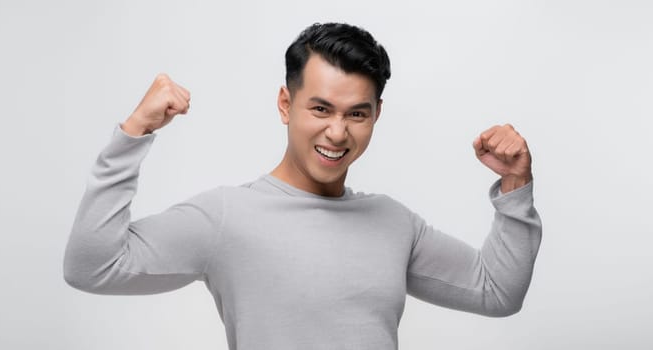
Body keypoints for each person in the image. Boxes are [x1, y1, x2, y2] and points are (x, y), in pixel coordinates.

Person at [64, 22, 542, 350]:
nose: (338, 132)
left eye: (357, 113)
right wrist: (133, 134)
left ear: (376, 114)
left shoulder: (393, 223)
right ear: (284, 104)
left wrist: (515, 184)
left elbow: (497, 292)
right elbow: (93, 267)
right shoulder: (227, 216)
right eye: (320, 109)